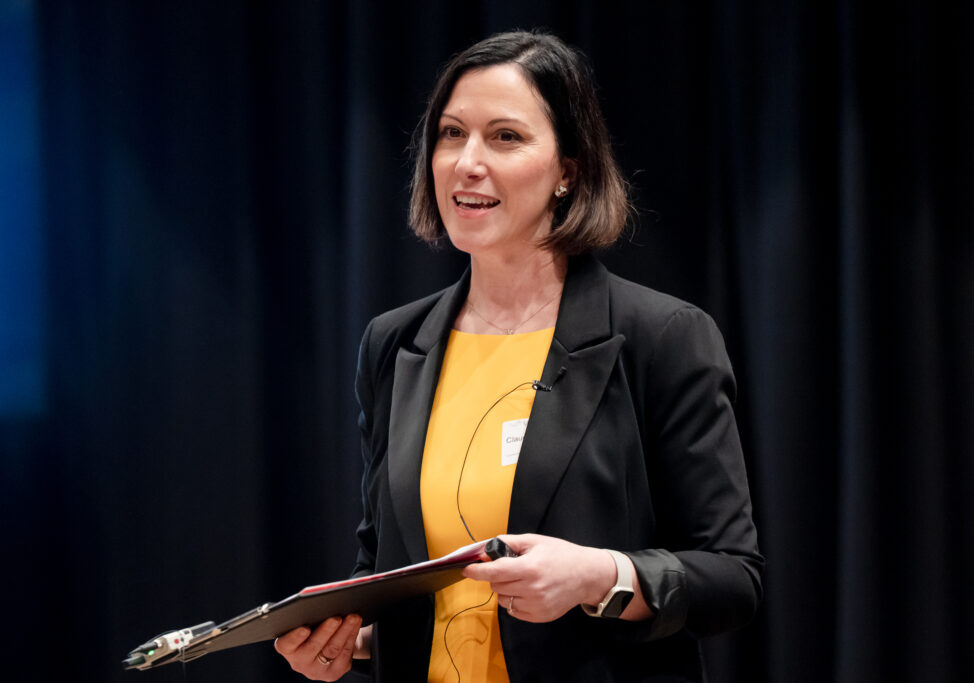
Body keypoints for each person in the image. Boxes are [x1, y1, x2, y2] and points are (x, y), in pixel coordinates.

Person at [274, 30, 763, 683]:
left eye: (505, 136)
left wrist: (599, 575)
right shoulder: (394, 344)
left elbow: (732, 575)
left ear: (570, 168)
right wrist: (349, 640)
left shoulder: (663, 335)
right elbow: (387, 570)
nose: (467, 161)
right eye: (451, 134)